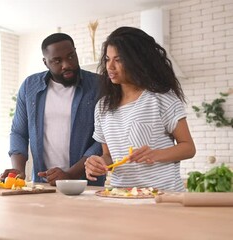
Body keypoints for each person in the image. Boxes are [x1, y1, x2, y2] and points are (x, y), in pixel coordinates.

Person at [84, 26, 196, 191]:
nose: (110, 67)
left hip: (162, 195)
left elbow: (188, 147)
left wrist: (155, 154)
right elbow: (109, 155)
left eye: (119, 59)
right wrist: (99, 162)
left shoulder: (161, 98)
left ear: (136, 60)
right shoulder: (103, 106)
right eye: (108, 59)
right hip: (121, 195)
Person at [2, 33, 105, 186]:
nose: (66, 64)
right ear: (46, 62)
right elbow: (19, 132)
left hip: (86, 184)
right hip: (43, 184)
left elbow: (104, 138)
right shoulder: (30, 86)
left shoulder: (99, 85)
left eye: (71, 56)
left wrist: (69, 174)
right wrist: (18, 170)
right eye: (57, 60)